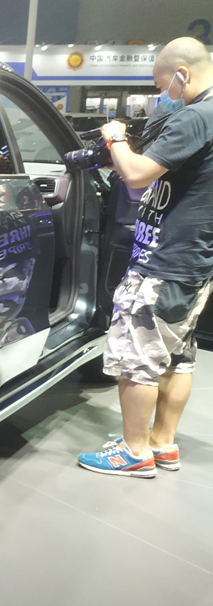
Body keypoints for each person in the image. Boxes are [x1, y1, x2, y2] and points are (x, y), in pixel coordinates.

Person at [77, 36, 213, 477]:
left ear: (182, 75)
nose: (161, 95)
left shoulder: (197, 116)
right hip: (190, 261)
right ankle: (162, 443)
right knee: (177, 357)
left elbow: (135, 175)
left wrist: (115, 137)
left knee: (136, 358)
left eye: (161, 85)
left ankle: (134, 453)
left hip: (164, 262)